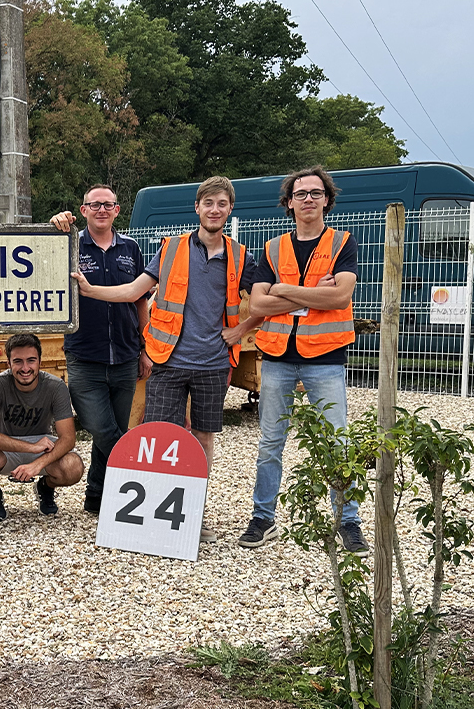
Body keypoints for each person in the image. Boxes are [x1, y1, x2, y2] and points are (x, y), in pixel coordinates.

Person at [71, 176, 258, 542]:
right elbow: (134, 291)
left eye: (221, 204)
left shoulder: (241, 256)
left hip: (214, 364)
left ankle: (193, 515)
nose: (215, 210)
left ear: (230, 209)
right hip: (169, 362)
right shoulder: (171, 249)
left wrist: (243, 329)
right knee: (159, 441)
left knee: (203, 440)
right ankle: (155, 517)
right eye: (208, 203)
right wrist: (91, 291)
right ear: (197, 207)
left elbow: (266, 297)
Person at [238, 165, 369, 555]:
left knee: (337, 442)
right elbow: (258, 305)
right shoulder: (272, 248)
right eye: (300, 194)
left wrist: (284, 289)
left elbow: (339, 297)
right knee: (270, 443)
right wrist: (312, 293)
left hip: (326, 357)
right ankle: (263, 518)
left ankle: (347, 522)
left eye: (315, 193)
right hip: (278, 356)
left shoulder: (343, 243)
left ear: (327, 200)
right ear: (289, 202)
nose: (308, 199)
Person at [49, 184, 151, 515]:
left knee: (112, 429)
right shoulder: (70, 245)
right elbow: (43, 261)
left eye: (108, 204)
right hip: (84, 356)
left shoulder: (131, 248)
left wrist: (145, 348)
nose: (102, 210)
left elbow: (140, 299)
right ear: (83, 211)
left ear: (117, 210)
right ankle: (141, 478)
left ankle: (96, 495)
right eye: (95, 205)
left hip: (125, 355)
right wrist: (52, 226)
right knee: (104, 429)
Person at [0, 333, 85, 519]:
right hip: (5, 448)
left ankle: (45, 487)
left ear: (40, 362)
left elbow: (68, 438)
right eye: (18, 361)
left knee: (73, 467)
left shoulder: (55, 386)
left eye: (31, 360)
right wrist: (30, 447)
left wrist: (37, 464)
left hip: (42, 446)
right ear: (8, 363)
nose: (25, 368)